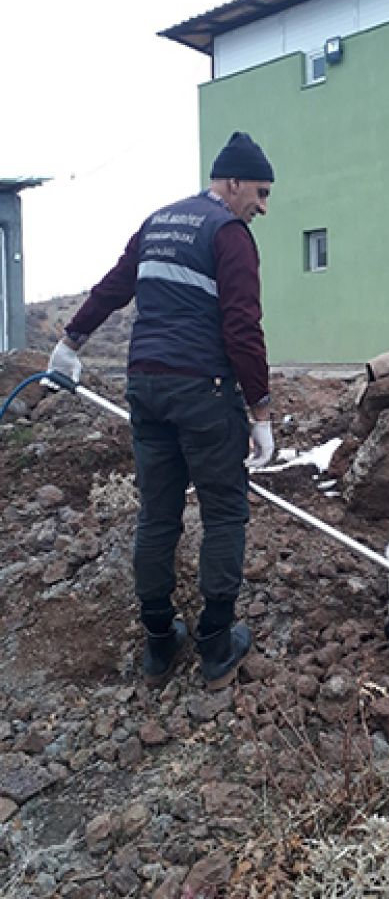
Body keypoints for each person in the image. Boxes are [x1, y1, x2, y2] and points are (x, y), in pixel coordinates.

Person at [46, 131, 276, 690]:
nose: (263, 207)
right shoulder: (230, 234)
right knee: (224, 513)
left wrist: (70, 341)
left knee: (157, 515)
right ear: (234, 181)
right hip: (203, 390)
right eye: (261, 193)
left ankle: (158, 644)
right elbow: (243, 327)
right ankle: (217, 646)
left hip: (146, 387)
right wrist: (261, 410)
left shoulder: (158, 222)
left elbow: (114, 287)